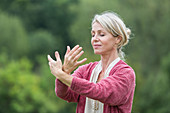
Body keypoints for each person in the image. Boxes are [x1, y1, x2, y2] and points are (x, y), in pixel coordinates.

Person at [47, 11, 136, 113]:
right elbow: (65, 94)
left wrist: (61, 74)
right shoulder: (85, 70)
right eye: (93, 35)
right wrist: (65, 72)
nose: (95, 39)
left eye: (101, 34)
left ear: (118, 39)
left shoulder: (126, 73)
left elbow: (100, 91)